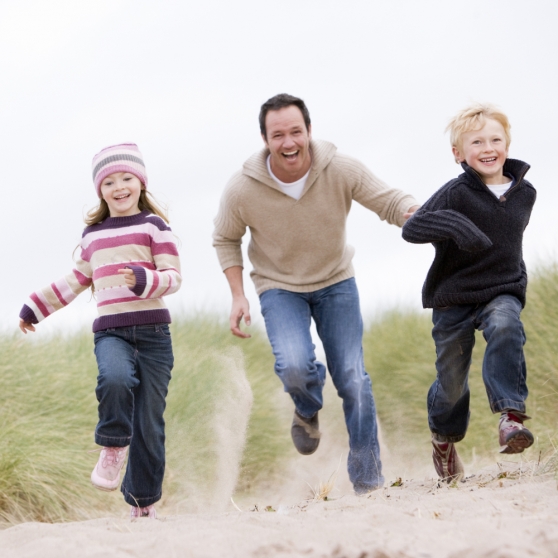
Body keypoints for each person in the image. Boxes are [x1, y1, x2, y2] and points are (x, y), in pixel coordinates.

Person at [213, 93, 419, 494]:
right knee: (294, 366)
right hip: (279, 287)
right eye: (278, 135)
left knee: (353, 379)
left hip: (336, 281)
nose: (288, 142)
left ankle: (368, 481)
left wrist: (414, 212)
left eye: (296, 132)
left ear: (309, 130)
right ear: (265, 139)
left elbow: (390, 201)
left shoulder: (339, 168)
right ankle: (307, 407)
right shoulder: (242, 188)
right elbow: (225, 238)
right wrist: (238, 295)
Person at [19, 143, 182, 518]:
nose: (119, 187)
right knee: (114, 378)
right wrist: (35, 308)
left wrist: (143, 279)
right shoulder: (93, 235)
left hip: (155, 335)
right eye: (109, 182)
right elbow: (75, 281)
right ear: (100, 190)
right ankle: (113, 444)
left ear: (141, 183)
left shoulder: (155, 227)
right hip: (112, 333)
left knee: (150, 424)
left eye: (127, 178)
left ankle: (142, 503)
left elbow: (174, 278)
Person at [402, 103, 536, 482]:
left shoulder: (526, 194)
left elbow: (507, 242)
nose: (488, 148)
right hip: (453, 297)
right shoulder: (456, 192)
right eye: (476, 142)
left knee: (506, 325)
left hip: (501, 289)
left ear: (507, 145)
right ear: (458, 154)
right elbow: (413, 228)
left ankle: (511, 418)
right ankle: (443, 440)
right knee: (451, 383)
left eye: (495, 140)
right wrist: (458, 227)